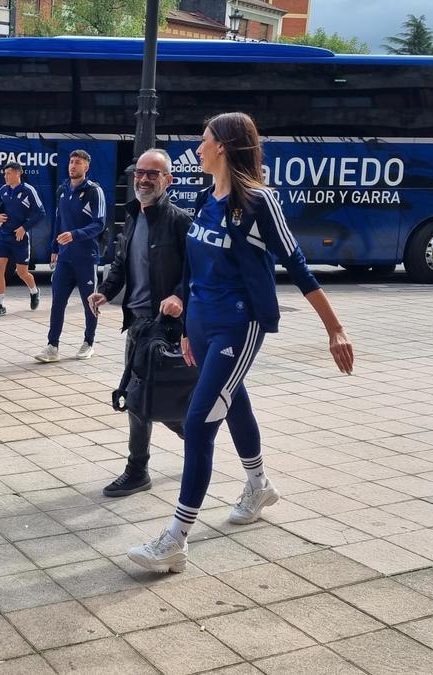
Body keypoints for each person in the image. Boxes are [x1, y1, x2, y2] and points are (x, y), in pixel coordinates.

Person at [127, 112, 355, 574]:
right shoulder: (204, 198)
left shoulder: (258, 203)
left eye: (203, 139)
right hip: (205, 325)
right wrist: (189, 328)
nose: (197, 147)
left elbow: (298, 265)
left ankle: (175, 539)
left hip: (239, 325)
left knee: (201, 420)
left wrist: (335, 328)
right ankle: (259, 485)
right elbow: (193, 272)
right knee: (236, 402)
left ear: (224, 148)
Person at [88, 149, 194, 498]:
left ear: (169, 180)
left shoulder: (180, 221)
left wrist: (178, 295)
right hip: (136, 325)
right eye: (139, 173)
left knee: (145, 399)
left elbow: (199, 272)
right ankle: (192, 440)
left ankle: (139, 470)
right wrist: (104, 291)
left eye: (153, 173)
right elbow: (121, 263)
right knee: (143, 398)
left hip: (163, 327)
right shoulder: (132, 216)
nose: (144, 179)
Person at [34, 150, 106, 362]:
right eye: (71, 162)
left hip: (86, 257)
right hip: (64, 257)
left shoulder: (94, 191)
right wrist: (54, 248)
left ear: (87, 167)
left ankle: (88, 342)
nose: (73, 165)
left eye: (78, 163)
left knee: (89, 302)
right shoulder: (62, 190)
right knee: (58, 302)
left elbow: (99, 224)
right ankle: (52, 346)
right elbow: (58, 221)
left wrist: (74, 235)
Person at [0, 162, 44, 318]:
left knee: (22, 272)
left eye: (8, 174)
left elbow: (41, 213)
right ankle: (0, 305)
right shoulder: (3, 190)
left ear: (17, 174)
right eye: (4, 174)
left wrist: (24, 228)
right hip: (3, 236)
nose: (5, 176)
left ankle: (34, 291)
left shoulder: (28, 191)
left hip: (19, 237)